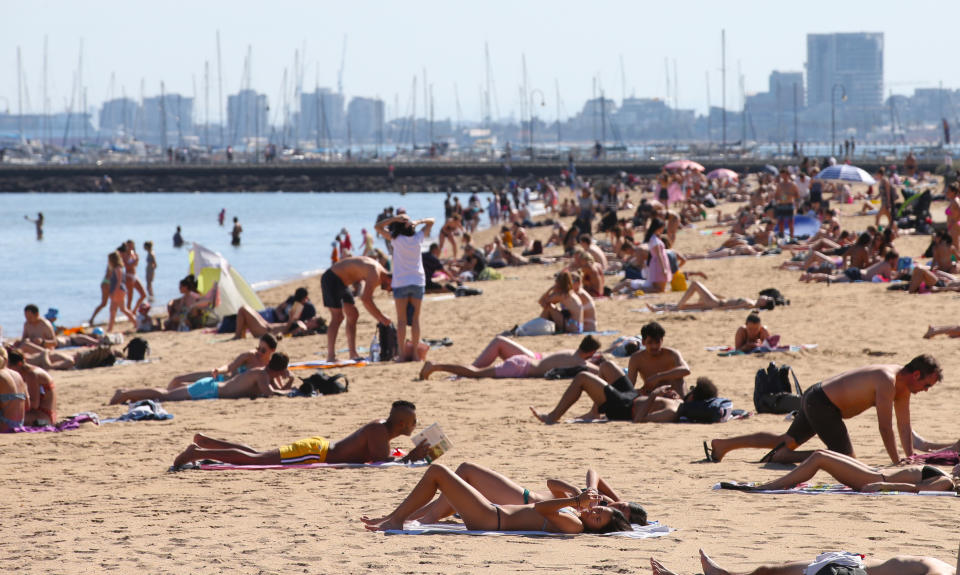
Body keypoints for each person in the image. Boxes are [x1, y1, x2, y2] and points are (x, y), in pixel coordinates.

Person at [706, 355, 943, 464]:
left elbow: (904, 425)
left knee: (786, 438)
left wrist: (909, 456)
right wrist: (895, 461)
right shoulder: (887, 380)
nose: (926, 390)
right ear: (916, 374)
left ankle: (724, 445)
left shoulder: (903, 390)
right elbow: (885, 426)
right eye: (926, 385)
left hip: (817, 398)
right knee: (847, 460)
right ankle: (784, 455)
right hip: (822, 404)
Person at [361, 463, 630, 534]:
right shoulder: (578, 516)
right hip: (492, 513)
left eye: (597, 519)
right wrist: (579, 498)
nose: (593, 513)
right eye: (599, 511)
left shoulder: (575, 526)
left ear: (595, 530)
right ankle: (397, 517)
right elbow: (549, 496)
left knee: (438, 473)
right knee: (458, 470)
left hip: (490, 519)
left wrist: (575, 502)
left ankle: (397, 519)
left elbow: (540, 508)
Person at [171, 400, 430, 468]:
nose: (416, 425)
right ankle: (197, 453)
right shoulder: (378, 432)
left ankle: (206, 442)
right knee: (255, 460)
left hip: (317, 448)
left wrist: (412, 456)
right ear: (402, 424)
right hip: (313, 454)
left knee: (258, 454)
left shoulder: (382, 430)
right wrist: (411, 457)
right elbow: (379, 461)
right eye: (413, 422)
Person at [409, 463, 647, 526]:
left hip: (522, 501)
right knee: (457, 488)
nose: (615, 505)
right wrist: (583, 491)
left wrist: (575, 500)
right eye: (621, 504)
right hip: (525, 497)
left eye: (619, 510)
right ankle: (414, 517)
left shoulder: (589, 516)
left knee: (463, 476)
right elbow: (552, 483)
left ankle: (417, 518)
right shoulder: (598, 504)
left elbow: (548, 506)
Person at [720, 449, 957, 493]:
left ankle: (770, 486)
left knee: (820, 458)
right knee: (822, 452)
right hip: (875, 471)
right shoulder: (947, 475)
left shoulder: (947, 482)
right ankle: (773, 483)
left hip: (875, 478)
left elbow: (917, 489)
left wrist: (884, 485)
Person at [109, 352, 292, 404]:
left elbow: (273, 390)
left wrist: (288, 384)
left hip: (210, 389)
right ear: (279, 369)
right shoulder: (261, 374)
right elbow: (270, 393)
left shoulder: (263, 373)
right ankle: (124, 393)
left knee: (167, 395)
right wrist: (290, 387)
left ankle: (129, 395)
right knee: (165, 395)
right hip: (209, 389)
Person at [375, 214, 435, 361]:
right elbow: (431, 221)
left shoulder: (395, 239)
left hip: (401, 282)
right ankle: (415, 354)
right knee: (415, 319)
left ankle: (401, 355)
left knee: (401, 320)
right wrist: (418, 221)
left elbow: (377, 227)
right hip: (417, 281)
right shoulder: (418, 238)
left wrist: (394, 219)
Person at [418, 335, 601, 380]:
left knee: (477, 372)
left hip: (523, 362)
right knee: (475, 373)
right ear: (591, 353)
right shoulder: (579, 361)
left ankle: (435, 367)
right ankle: (435, 366)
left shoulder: (572, 352)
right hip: (520, 368)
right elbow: (600, 372)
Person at [649, 548, 956, 575]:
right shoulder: (945, 566)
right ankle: (722, 574)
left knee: (767, 574)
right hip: (849, 565)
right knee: (766, 572)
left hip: (846, 573)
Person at [322, 256, 393, 362]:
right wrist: (381, 318)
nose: (389, 291)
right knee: (337, 317)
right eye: (391, 288)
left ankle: (352, 353)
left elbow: (357, 270)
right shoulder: (375, 274)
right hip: (331, 278)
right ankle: (331, 356)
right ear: (390, 279)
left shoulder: (378, 270)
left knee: (353, 314)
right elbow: (366, 299)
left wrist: (357, 285)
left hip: (343, 282)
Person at [167, 333, 279, 389]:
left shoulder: (271, 365)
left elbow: (277, 385)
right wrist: (219, 370)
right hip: (219, 377)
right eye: (258, 348)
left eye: (263, 350)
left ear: (272, 350)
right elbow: (230, 367)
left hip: (223, 387)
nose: (259, 352)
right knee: (176, 380)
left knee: (179, 385)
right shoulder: (250, 356)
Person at [646, 281, 776, 313]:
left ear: (764, 304)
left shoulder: (751, 305)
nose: (764, 296)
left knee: (695, 284)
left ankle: (672, 306)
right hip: (716, 302)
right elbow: (730, 300)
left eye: (766, 298)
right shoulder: (752, 301)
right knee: (684, 307)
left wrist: (717, 309)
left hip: (716, 304)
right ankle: (657, 309)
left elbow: (734, 307)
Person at [5, 348, 56, 425]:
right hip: (39, 414)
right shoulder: (27, 372)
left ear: (19, 364)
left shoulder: (32, 375)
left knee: (5, 419)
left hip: (44, 417)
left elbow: (34, 404)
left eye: (9, 367)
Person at [0, 347, 28, 432]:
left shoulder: (1, 376)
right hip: (19, 424)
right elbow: (27, 405)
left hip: (3, 424)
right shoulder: (18, 375)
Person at [644, 217, 672, 292]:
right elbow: (659, 255)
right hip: (658, 264)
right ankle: (639, 290)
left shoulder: (653, 238)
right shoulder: (654, 239)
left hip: (656, 263)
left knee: (660, 288)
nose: (663, 229)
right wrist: (664, 269)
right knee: (660, 289)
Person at [120, 240, 147, 311]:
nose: (130, 247)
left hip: (134, 275)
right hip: (128, 276)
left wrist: (136, 260)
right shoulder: (124, 255)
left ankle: (134, 310)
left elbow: (135, 265)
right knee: (130, 298)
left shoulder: (133, 254)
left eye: (132, 245)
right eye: (129, 245)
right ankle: (128, 313)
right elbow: (127, 266)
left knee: (143, 295)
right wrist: (135, 260)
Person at [773, 167, 799, 238]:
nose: (782, 177)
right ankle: (782, 236)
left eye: (784, 175)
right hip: (781, 204)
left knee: (790, 223)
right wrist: (779, 198)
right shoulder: (779, 185)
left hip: (789, 204)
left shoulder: (792, 184)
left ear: (787, 175)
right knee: (781, 222)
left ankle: (792, 237)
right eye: (781, 175)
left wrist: (790, 196)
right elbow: (776, 195)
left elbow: (797, 195)